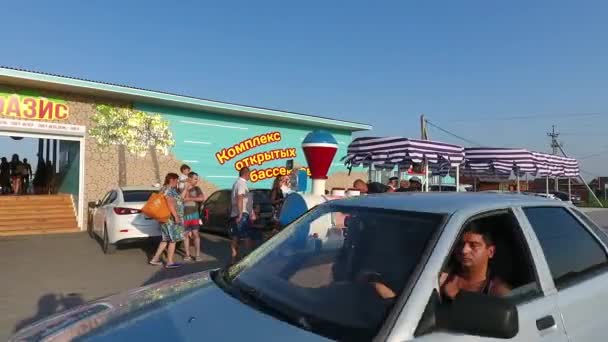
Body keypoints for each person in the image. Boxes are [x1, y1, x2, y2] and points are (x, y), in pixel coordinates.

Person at [440, 222, 511, 299]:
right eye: (461, 244)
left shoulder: (497, 291)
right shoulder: (443, 276)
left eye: (474, 245)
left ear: (490, 252)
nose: (464, 250)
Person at [149, 173, 185, 268]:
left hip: (165, 218)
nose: (177, 182)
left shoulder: (164, 189)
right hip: (170, 219)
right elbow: (170, 203)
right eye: (176, 180)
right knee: (173, 240)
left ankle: (155, 259)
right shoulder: (168, 190)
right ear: (172, 180)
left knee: (165, 239)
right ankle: (169, 262)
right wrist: (176, 216)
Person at [229, 167, 254, 264]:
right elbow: (240, 197)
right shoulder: (241, 183)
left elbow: (246, 200)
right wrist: (240, 214)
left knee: (235, 236)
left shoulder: (237, 183)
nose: (250, 176)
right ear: (246, 174)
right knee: (246, 235)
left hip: (238, 213)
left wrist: (252, 212)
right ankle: (249, 258)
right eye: (249, 174)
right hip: (242, 213)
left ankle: (234, 257)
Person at [181, 172, 205, 262]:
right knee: (185, 235)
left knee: (196, 235)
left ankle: (197, 255)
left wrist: (189, 199)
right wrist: (186, 188)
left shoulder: (197, 188)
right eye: (195, 178)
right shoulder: (182, 187)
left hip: (194, 215)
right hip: (184, 216)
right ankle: (187, 255)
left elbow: (202, 198)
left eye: (197, 178)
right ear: (189, 178)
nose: (196, 180)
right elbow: (181, 198)